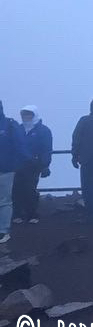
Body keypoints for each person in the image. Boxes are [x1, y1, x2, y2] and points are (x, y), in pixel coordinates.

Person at [12, 105, 53, 224]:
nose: (26, 117)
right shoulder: (18, 129)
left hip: (34, 164)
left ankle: (32, 214)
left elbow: (47, 149)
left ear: (34, 115)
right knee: (16, 189)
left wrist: (45, 165)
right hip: (18, 164)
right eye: (24, 114)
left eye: (29, 114)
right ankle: (17, 214)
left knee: (30, 189)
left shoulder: (43, 130)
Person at [0, 100, 26, 242]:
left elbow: (19, 144)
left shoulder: (10, 125)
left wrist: (18, 164)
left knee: (4, 200)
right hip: (8, 167)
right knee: (4, 200)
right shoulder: (10, 124)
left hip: (6, 169)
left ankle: (3, 230)